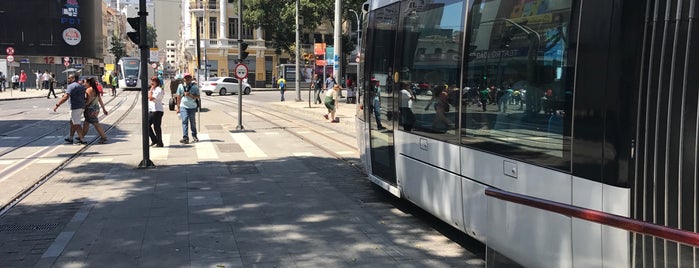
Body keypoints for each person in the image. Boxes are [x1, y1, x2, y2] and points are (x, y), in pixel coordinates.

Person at [53, 74, 87, 145]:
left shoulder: (71, 86)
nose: (68, 79)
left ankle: (82, 139)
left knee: (76, 123)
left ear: (73, 78)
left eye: (69, 78)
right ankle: (71, 137)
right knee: (72, 122)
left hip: (75, 107)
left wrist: (57, 105)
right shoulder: (81, 86)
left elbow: (65, 97)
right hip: (82, 107)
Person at [81, 77, 109, 144]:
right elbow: (100, 100)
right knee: (86, 123)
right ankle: (81, 136)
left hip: (90, 109)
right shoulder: (95, 89)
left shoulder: (88, 90)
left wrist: (83, 107)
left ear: (89, 83)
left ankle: (104, 137)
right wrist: (104, 109)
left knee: (96, 124)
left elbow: (89, 100)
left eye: (85, 82)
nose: (84, 84)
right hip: (96, 108)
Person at [175, 73, 200, 144]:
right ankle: (185, 137)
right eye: (186, 78)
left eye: (189, 77)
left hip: (192, 107)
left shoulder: (194, 87)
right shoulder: (180, 86)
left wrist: (190, 95)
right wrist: (178, 107)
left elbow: (198, 96)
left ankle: (194, 136)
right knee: (184, 121)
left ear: (191, 79)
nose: (187, 79)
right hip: (183, 106)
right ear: (184, 79)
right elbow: (178, 97)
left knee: (192, 122)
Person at [148, 76, 164, 147]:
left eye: (153, 81)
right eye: (151, 81)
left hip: (157, 110)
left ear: (157, 82)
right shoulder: (153, 89)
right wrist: (151, 90)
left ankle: (160, 142)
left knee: (156, 127)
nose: (152, 82)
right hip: (151, 110)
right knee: (146, 125)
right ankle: (154, 139)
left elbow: (151, 98)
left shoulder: (158, 90)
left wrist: (150, 90)